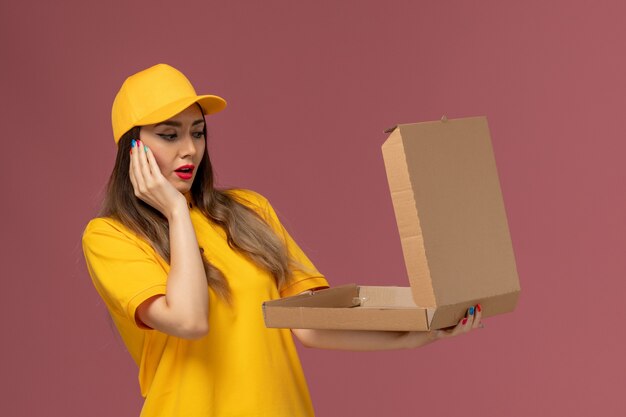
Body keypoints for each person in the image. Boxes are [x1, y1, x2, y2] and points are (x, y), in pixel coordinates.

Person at [82, 63, 482, 417]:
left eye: (198, 133)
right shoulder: (110, 236)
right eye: (169, 135)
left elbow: (309, 326)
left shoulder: (249, 210)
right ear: (132, 150)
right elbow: (189, 320)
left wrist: (417, 335)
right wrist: (175, 210)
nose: (189, 149)